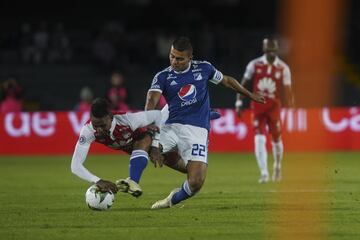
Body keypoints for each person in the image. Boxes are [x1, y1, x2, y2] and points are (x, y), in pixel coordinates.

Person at [145, 36, 265, 209]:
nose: (174, 61)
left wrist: (250, 94)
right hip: (172, 124)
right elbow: (151, 101)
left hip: (197, 129)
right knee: (150, 148)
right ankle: (183, 165)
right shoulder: (163, 76)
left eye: (179, 58)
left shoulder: (204, 68)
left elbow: (227, 80)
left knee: (196, 182)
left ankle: (172, 200)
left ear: (190, 58)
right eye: (172, 56)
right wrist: (152, 135)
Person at [70, 98, 163, 197]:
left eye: (102, 125)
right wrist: (98, 181)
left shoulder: (127, 119)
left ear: (110, 117)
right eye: (96, 125)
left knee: (145, 138)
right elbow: (75, 166)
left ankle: (133, 182)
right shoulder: (88, 131)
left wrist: (155, 146)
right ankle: (133, 182)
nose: (99, 130)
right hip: (141, 152)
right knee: (177, 164)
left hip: (162, 137)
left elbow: (158, 115)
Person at [235, 37, 295, 183]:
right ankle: (264, 173)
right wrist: (238, 103)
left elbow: (287, 90)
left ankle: (277, 165)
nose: (272, 52)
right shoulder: (254, 65)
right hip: (257, 106)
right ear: (264, 49)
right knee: (259, 138)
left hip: (274, 107)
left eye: (274, 50)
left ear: (277, 50)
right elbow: (243, 84)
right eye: (269, 50)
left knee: (276, 139)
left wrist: (291, 106)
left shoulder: (283, 68)